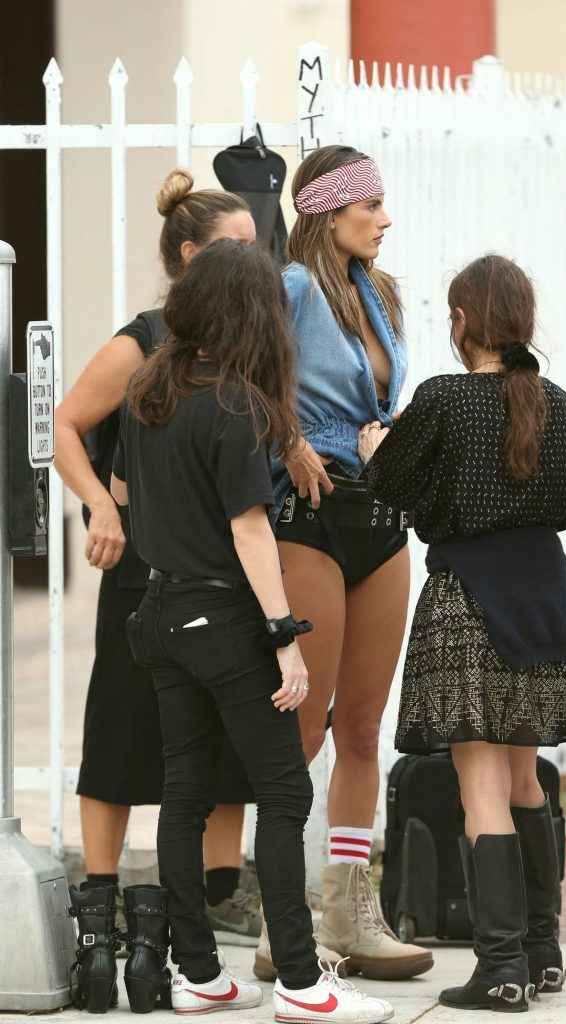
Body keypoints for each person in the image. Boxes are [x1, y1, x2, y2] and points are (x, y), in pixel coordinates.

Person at [111, 237, 395, 1022]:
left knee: (183, 793)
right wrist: (282, 635)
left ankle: (198, 975)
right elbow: (249, 529)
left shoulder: (146, 392)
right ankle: (301, 983)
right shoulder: (237, 403)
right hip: (222, 616)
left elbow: (123, 491)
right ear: (250, 315)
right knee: (282, 790)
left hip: (159, 612)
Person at [362, 254, 566, 1012]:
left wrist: (372, 450)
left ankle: (499, 968)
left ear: (461, 321)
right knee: (524, 780)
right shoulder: (554, 401)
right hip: (542, 597)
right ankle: (541, 954)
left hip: (467, 596)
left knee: (480, 787)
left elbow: (389, 490)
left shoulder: (444, 397)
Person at [54, 170, 261, 941]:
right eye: (235, 247)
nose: (252, 261)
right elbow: (64, 427)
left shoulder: (245, 345)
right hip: (143, 568)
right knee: (122, 718)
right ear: (189, 254)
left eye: (255, 246)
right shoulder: (138, 342)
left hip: (226, 564)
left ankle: (220, 891)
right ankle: (100, 896)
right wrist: (103, 506)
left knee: (229, 725)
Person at [256, 144, 432, 982]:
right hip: (309, 512)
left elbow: (383, 402)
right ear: (329, 213)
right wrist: (287, 438)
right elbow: (242, 377)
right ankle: (281, 916)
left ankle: (349, 908)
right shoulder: (290, 288)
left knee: (362, 727)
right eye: (371, 207)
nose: (384, 220)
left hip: (379, 512)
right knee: (304, 724)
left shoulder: (380, 295)